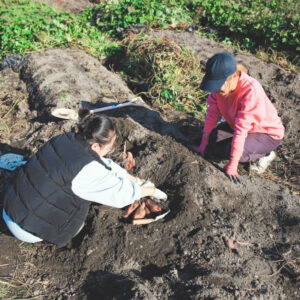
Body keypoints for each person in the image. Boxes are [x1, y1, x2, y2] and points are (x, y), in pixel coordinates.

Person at [2, 110, 167, 246]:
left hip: (10, 206)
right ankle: (57, 234)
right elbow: (120, 195)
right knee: (80, 212)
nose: (110, 151)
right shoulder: (88, 171)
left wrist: (135, 180)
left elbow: (104, 163)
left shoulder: (65, 138)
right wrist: (148, 190)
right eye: (109, 147)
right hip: (27, 227)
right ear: (95, 146)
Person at [193, 52, 284, 182]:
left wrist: (233, 164)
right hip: (235, 124)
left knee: (234, 153)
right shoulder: (219, 90)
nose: (216, 91)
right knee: (213, 139)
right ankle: (243, 150)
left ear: (234, 76)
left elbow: (241, 131)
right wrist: (203, 143)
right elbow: (213, 113)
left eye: (219, 86)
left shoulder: (250, 91)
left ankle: (266, 154)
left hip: (266, 133)